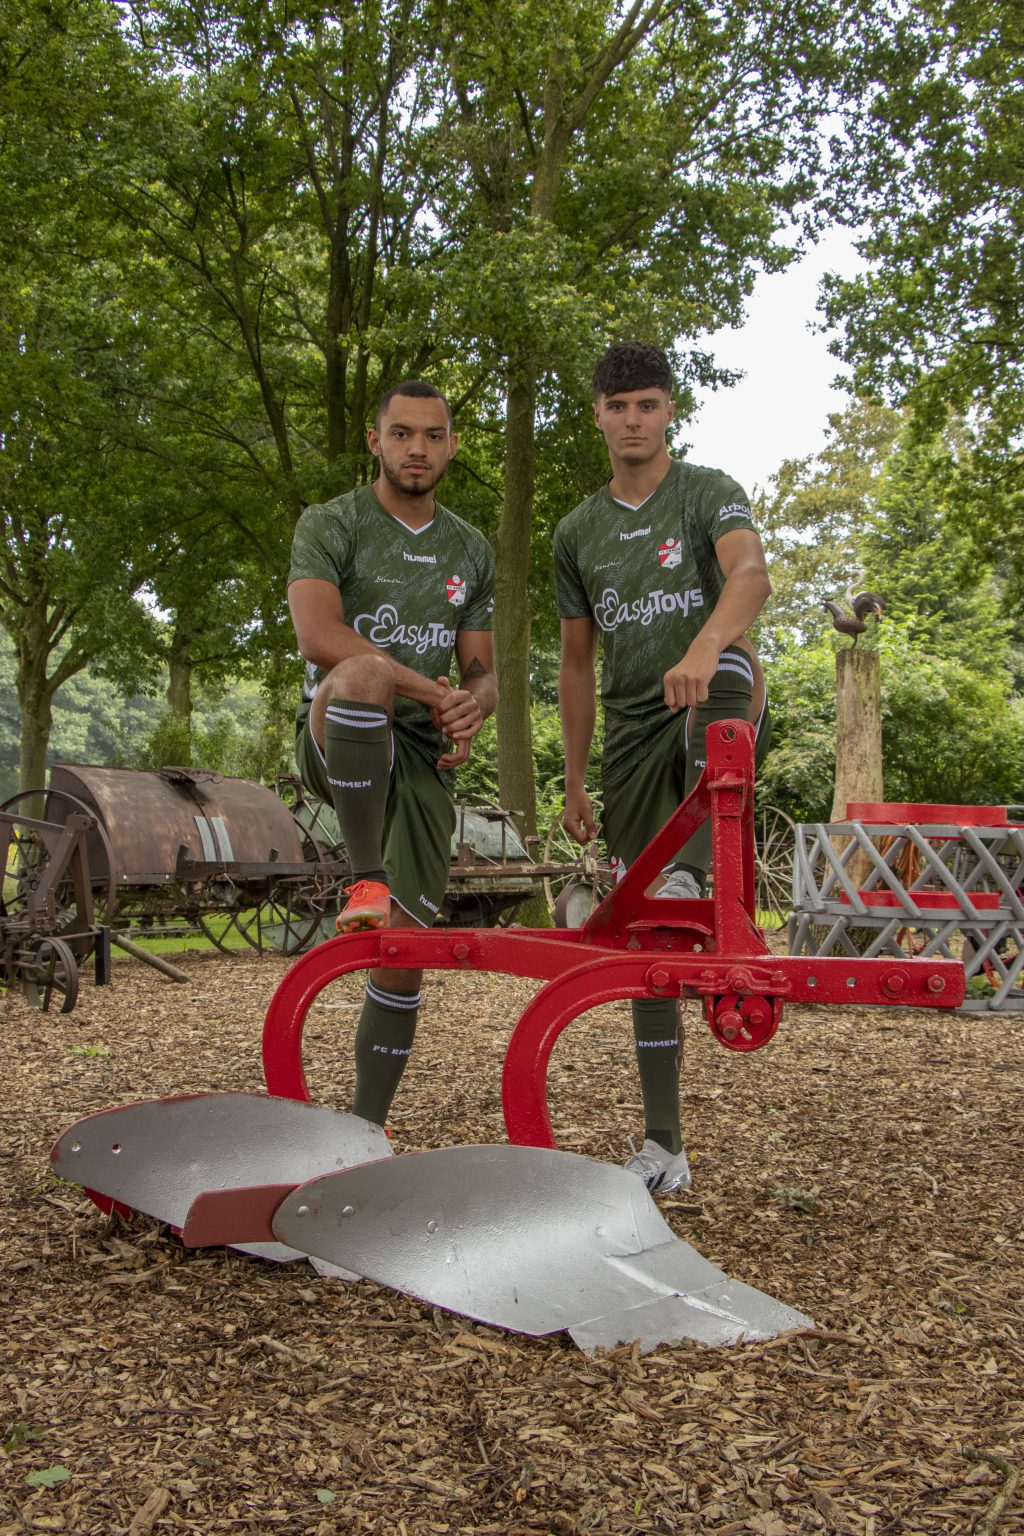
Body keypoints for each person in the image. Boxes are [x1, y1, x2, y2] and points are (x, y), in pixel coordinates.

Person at [554, 342, 772, 1192]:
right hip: (631, 738)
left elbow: (750, 574)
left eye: (647, 404)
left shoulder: (706, 491)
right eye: (618, 407)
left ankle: (694, 875)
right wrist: (573, 780)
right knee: (647, 939)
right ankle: (664, 1147)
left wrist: (705, 642)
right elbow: (577, 663)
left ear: (669, 409)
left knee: (716, 680)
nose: (633, 420)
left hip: (718, 702)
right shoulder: (578, 530)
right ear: (599, 415)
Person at [287, 380, 497, 1129]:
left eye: (433, 436)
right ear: (374, 441)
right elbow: (319, 638)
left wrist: (473, 702)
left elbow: (481, 668)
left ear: (451, 445)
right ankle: (364, 878)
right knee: (365, 672)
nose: (418, 448)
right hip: (340, 728)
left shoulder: (471, 547)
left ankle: (362, 1133)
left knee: (405, 953)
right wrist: (428, 689)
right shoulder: (331, 522)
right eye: (402, 433)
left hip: (422, 754)